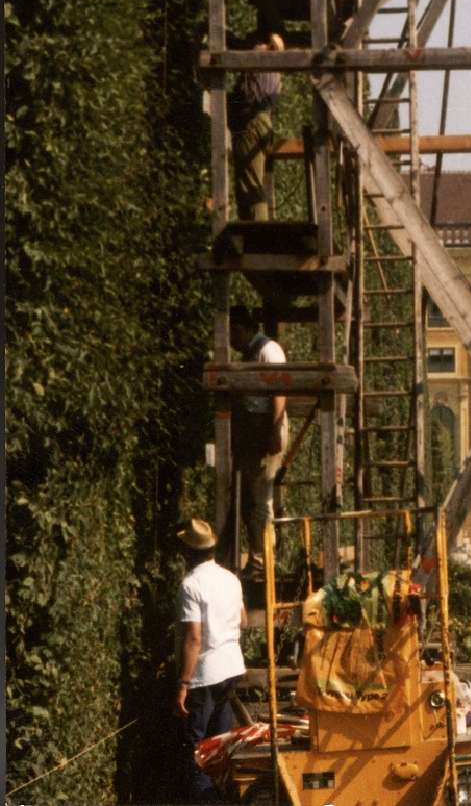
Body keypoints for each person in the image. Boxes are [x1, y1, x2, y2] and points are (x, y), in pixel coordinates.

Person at [174, 516, 246, 801]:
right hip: (232, 667)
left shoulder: (190, 585)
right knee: (221, 746)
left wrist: (183, 683)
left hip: (205, 674)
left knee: (196, 751)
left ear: (187, 552)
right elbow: (241, 620)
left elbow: (194, 638)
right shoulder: (231, 579)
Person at [229, 305, 289, 578]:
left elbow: (279, 388)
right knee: (251, 499)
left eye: (234, 333)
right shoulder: (251, 352)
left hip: (266, 430)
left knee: (261, 498)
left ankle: (263, 564)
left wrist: (275, 430)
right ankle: (257, 560)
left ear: (243, 329)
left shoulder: (268, 350)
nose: (231, 341)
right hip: (254, 433)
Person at [229, 29, 284, 221]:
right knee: (252, 180)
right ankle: (254, 228)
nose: (255, 45)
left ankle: (259, 231)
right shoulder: (276, 73)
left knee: (250, 184)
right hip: (264, 123)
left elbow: (244, 98)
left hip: (252, 123)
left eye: (260, 42)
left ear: (267, 47)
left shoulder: (260, 59)